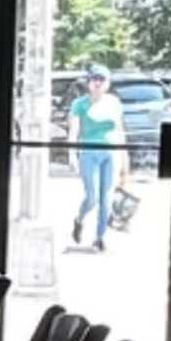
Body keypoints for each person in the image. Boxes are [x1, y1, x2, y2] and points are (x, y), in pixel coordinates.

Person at [67, 67, 122, 247]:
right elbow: (73, 131)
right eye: (94, 79)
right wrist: (72, 155)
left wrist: (124, 157)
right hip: (89, 152)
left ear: (107, 83)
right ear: (88, 82)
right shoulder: (79, 104)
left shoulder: (113, 102)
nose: (97, 83)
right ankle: (79, 220)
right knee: (92, 198)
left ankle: (100, 237)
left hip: (111, 152)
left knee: (106, 199)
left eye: (102, 80)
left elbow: (120, 130)